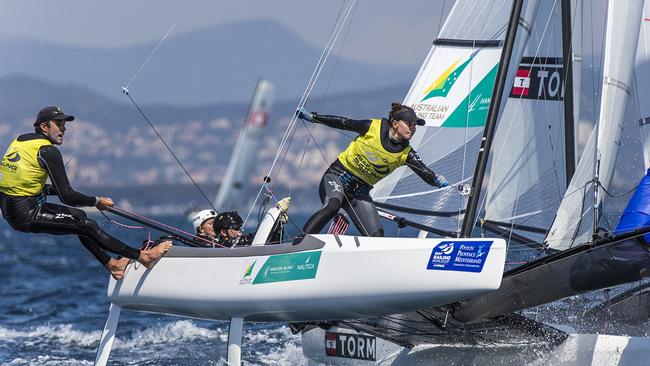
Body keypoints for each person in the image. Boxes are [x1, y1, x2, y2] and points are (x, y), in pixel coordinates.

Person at [0, 106, 172, 280]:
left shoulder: (20, 142)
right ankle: (143, 257)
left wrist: (83, 199)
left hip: (14, 210)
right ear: (44, 127)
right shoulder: (48, 151)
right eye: (59, 123)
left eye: (64, 124)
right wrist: (96, 201)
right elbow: (66, 196)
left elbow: (27, 185)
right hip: (26, 214)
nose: (63, 128)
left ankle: (114, 265)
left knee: (80, 216)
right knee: (87, 226)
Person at [297, 102, 448, 237]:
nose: (413, 128)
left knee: (376, 236)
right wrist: (312, 117)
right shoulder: (372, 127)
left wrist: (437, 180)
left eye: (415, 125)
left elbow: (425, 172)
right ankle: (301, 241)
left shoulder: (406, 154)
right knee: (332, 206)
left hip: (359, 193)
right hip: (337, 177)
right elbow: (343, 123)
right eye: (409, 124)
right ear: (395, 123)